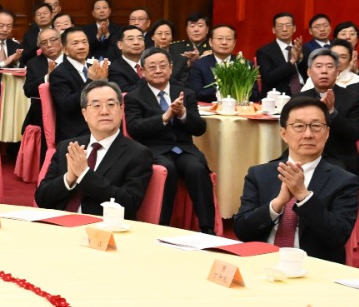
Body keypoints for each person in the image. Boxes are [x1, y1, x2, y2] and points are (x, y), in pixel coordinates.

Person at [231, 94, 359, 264]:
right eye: (299, 126)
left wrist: (304, 197)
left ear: (327, 133)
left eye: (316, 126)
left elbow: (337, 236)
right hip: (262, 263)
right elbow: (242, 231)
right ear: (284, 133)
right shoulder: (259, 174)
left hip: (313, 268)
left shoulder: (344, 181)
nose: (308, 134)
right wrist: (277, 204)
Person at [34, 80, 152, 218]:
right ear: (84, 114)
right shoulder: (68, 147)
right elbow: (41, 199)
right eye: (96, 106)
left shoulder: (138, 154)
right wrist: (69, 178)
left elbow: (128, 204)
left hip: (101, 227)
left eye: (111, 105)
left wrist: (84, 174)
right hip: (58, 224)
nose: (104, 111)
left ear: (121, 110)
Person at [125, 47, 214, 230]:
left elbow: (199, 129)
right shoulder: (134, 97)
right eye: (152, 67)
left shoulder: (185, 93)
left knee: (196, 168)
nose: (158, 70)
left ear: (171, 68)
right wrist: (164, 118)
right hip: (154, 150)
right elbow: (134, 128)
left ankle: (207, 228)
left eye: (163, 66)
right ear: (142, 71)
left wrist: (183, 114)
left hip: (184, 149)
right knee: (168, 169)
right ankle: (162, 226)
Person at [297, 49, 359, 174]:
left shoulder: (352, 97)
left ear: (337, 72)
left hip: (339, 157)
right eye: (318, 66)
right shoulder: (299, 99)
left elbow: (354, 134)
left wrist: (332, 112)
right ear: (309, 72)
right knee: (267, 171)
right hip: (303, 156)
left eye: (329, 66)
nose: (324, 71)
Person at [48, 27, 108, 142]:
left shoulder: (93, 68)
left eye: (84, 42)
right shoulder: (58, 74)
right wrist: (91, 81)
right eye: (75, 43)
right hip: (77, 131)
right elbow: (68, 105)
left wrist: (103, 81)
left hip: (100, 124)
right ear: (65, 50)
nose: (81, 47)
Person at [22, 27, 63, 132]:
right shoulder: (33, 63)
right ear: (40, 46)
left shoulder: (71, 59)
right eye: (44, 43)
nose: (49, 45)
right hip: (42, 113)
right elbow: (28, 90)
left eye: (53, 40)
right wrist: (46, 78)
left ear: (61, 40)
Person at [189, 24, 243, 102]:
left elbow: (255, 95)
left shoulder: (244, 64)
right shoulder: (199, 65)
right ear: (210, 42)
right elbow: (196, 94)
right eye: (220, 38)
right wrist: (223, 87)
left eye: (228, 39)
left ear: (234, 42)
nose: (224, 42)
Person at [255, 12, 303, 97]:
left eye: (288, 25)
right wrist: (292, 61)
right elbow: (268, 78)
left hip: (304, 93)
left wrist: (300, 58)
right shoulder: (264, 52)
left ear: (294, 28)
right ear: (273, 30)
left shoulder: (302, 49)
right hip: (279, 96)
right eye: (280, 26)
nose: (284, 29)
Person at [107, 26, 146, 94]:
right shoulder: (114, 69)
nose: (136, 42)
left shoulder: (151, 63)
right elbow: (126, 92)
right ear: (120, 45)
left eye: (140, 38)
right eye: (130, 39)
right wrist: (148, 77)